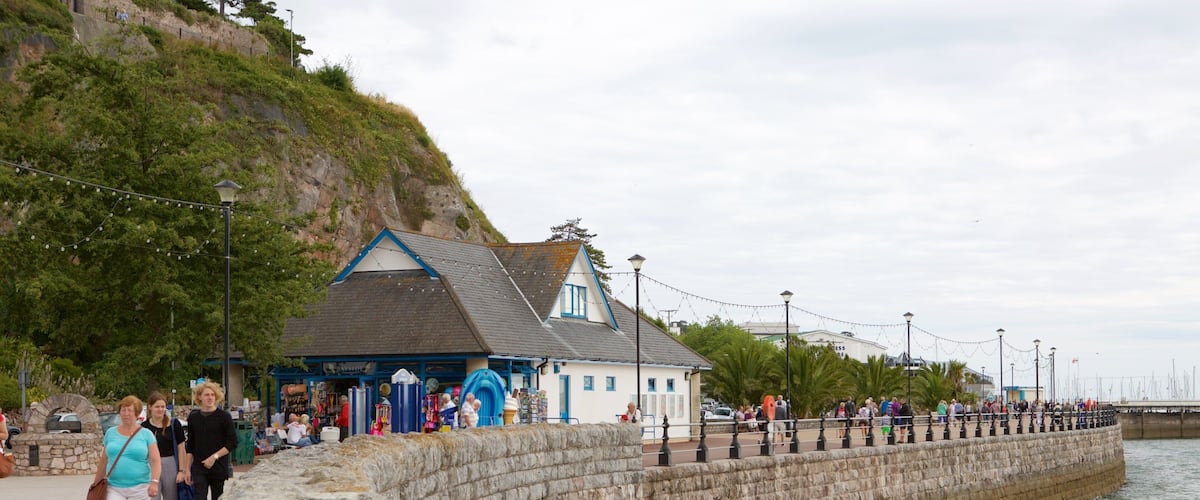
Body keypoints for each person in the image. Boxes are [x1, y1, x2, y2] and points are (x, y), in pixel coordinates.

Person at [95, 395, 161, 500]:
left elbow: (155, 460)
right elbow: (103, 461)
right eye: (123, 410)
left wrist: (154, 482)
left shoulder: (146, 434)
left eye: (129, 410)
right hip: (114, 487)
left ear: (137, 413)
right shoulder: (110, 433)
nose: (126, 414)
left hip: (140, 487)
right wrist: (96, 484)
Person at [186, 382, 237, 499]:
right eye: (207, 395)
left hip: (218, 466)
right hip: (199, 467)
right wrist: (186, 469)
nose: (210, 397)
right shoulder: (193, 417)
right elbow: (190, 445)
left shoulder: (224, 416)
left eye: (212, 395)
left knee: (218, 497)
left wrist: (214, 457)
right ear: (199, 397)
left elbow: (232, 442)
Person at [143, 392, 187, 500]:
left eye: (162, 407)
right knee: (152, 496)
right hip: (150, 465)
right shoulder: (144, 427)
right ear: (150, 407)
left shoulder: (174, 424)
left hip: (170, 463)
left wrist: (182, 471)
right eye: (157, 406)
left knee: (172, 497)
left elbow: (181, 448)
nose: (160, 409)